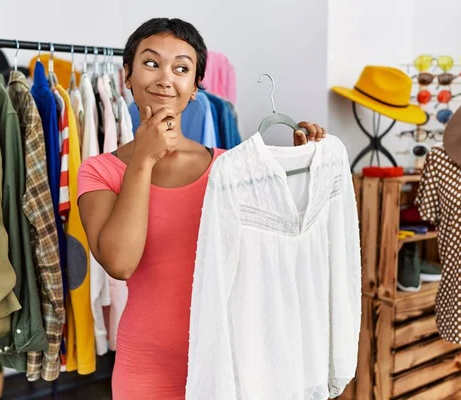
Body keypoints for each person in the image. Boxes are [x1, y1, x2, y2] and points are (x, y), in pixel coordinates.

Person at [77, 17, 326, 399]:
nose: (165, 78)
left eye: (181, 68)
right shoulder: (99, 170)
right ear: (126, 75)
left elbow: (281, 251)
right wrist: (143, 160)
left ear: (195, 88)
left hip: (231, 364)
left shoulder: (230, 167)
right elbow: (120, 262)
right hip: (146, 369)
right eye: (150, 63)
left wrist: (298, 166)